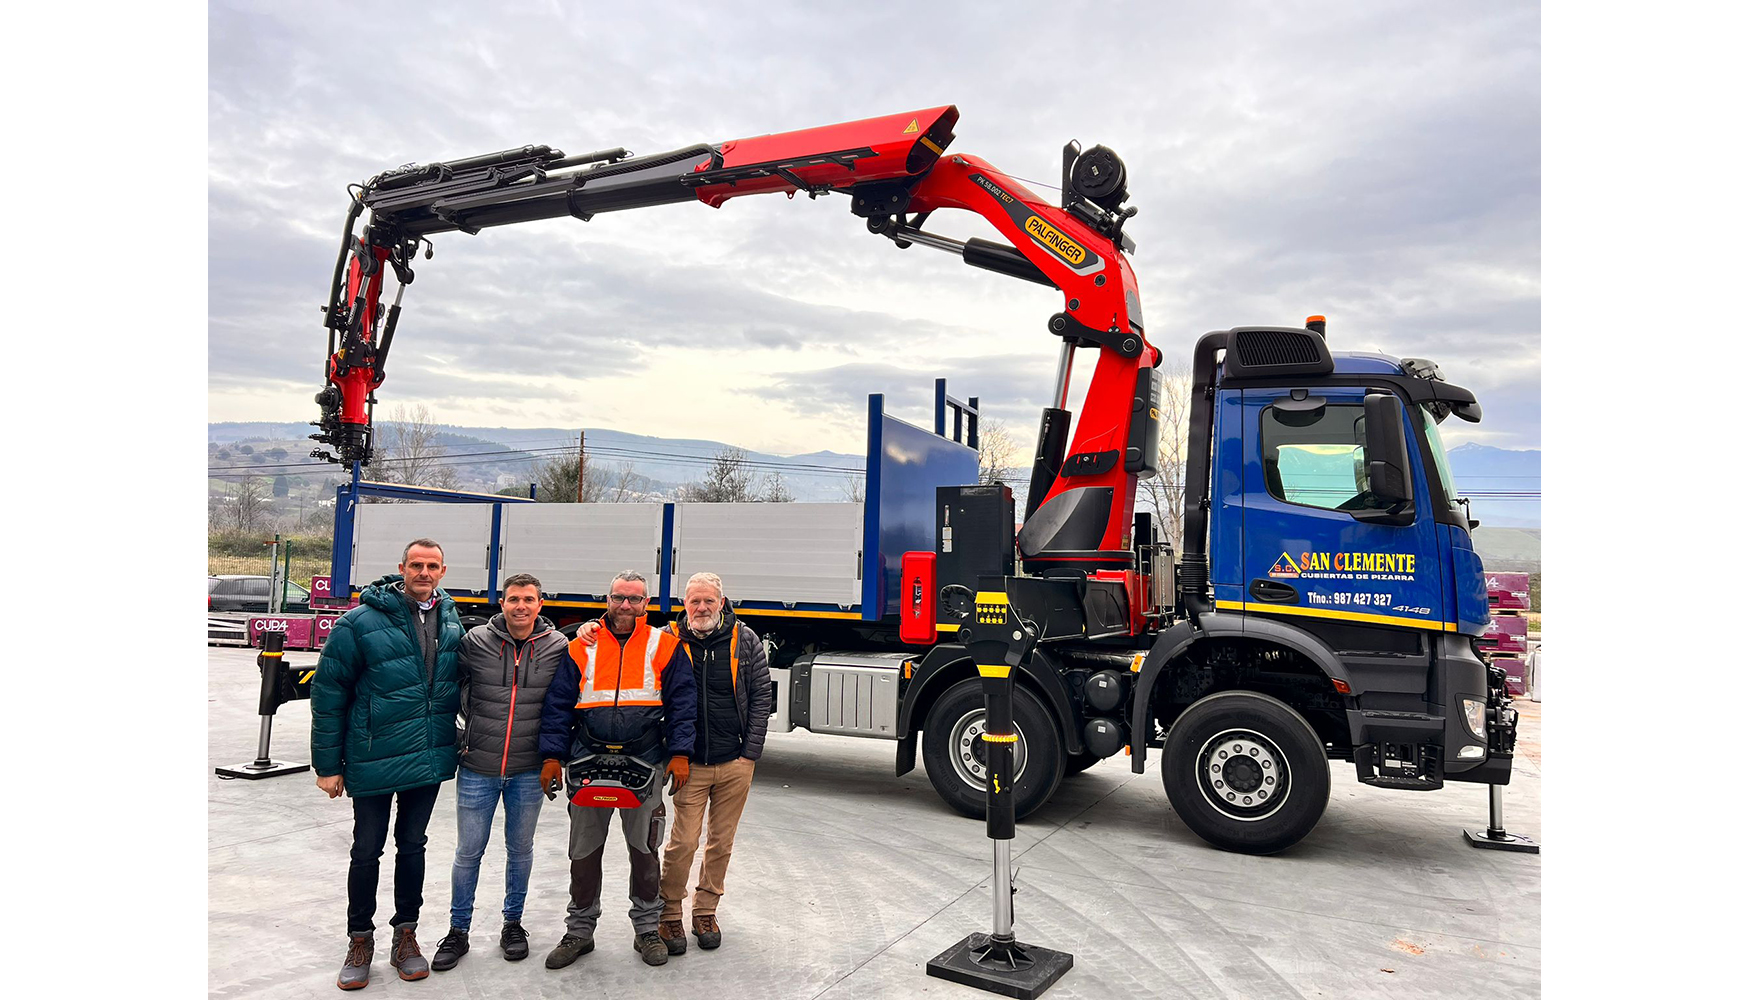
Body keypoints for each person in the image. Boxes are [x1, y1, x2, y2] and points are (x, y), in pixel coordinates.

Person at [578, 571, 771, 955]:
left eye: (708, 601)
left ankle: (705, 911)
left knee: (721, 842)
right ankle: (669, 914)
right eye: (694, 601)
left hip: (734, 762)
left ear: (722, 602)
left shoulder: (744, 640)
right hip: (690, 763)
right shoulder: (668, 637)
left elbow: (761, 697)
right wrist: (589, 627)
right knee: (682, 842)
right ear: (684, 604)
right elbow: (624, 636)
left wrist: (750, 752)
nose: (701, 608)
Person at [310, 538, 464, 991]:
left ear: (443, 570)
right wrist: (327, 765)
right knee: (366, 850)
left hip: (429, 755)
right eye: (416, 565)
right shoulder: (358, 622)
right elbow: (330, 692)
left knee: (413, 846)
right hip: (373, 754)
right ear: (401, 568)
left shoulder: (450, 618)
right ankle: (360, 939)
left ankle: (406, 935)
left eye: (432, 565)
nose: (423, 572)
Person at [538, 570, 696, 970]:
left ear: (647, 603)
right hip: (587, 758)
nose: (626, 605)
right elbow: (558, 703)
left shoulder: (665, 645)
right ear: (606, 600)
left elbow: (682, 704)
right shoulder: (580, 645)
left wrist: (679, 753)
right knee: (583, 851)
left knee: (644, 848)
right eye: (619, 597)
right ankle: (579, 931)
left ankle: (646, 929)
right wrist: (552, 756)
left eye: (635, 599)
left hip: (644, 761)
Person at [430, 574, 570, 972]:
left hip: (529, 770)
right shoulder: (475, 642)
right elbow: (444, 686)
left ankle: (513, 924)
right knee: (468, 852)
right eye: (513, 599)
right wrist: (461, 735)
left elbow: (565, 704)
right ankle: (458, 931)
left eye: (528, 599)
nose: (520, 606)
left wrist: (554, 757)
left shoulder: (558, 646)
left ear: (540, 604)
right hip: (478, 766)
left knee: (520, 851)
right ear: (502, 603)